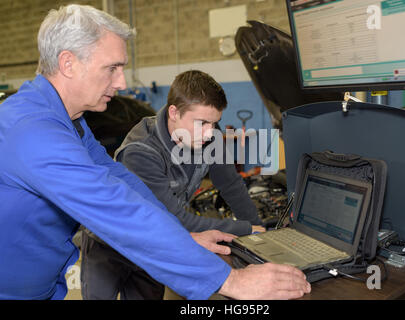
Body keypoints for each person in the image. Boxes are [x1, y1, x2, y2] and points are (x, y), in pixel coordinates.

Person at [0, 4, 311, 300]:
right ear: (68, 63)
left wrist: (182, 236)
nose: (121, 82)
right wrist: (229, 280)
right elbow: (118, 210)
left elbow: (121, 182)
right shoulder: (33, 131)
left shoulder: (70, 123)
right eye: (112, 68)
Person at [81, 70, 266, 299]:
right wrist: (244, 229)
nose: (210, 133)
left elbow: (231, 184)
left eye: (214, 123)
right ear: (174, 113)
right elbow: (178, 219)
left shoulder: (209, 136)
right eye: (202, 123)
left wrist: (260, 233)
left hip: (155, 242)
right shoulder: (141, 152)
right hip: (109, 244)